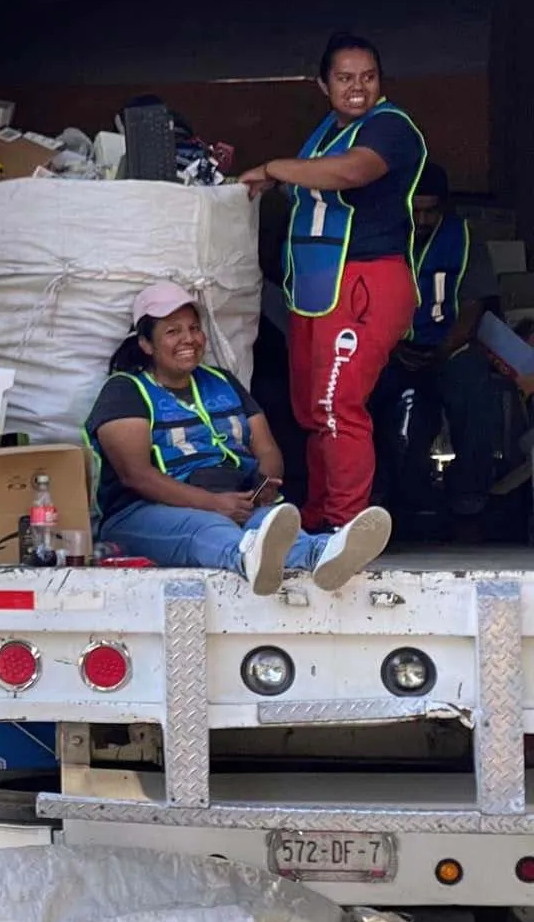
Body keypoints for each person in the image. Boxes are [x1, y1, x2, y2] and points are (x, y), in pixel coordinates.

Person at [87, 283, 392, 595]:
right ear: (146, 344)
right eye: (172, 331)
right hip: (140, 514)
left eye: (194, 328)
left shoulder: (221, 381)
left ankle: (323, 553)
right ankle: (247, 556)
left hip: (229, 503)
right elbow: (136, 476)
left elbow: (267, 448)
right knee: (209, 528)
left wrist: (263, 485)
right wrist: (214, 504)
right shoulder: (125, 391)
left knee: (271, 520)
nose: (188, 339)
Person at [240, 32, 427, 533]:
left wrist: (274, 168)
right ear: (323, 84)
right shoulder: (326, 131)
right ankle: (320, 519)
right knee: (312, 410)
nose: (358, 88)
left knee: (337, 406)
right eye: (345, 78)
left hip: (367, 281)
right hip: (317, 291)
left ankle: (345, 528)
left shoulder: (391, 128)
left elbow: (352, 173)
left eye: (368, 77)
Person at [370, 162, 507, 534]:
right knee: (363, 396)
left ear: (445, 206)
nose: (424, 218)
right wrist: (394, 346)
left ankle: (468, 495)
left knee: (476, 394)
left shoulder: (464, 237)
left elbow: (474, 305)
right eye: (417, 210)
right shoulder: (383, 236)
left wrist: (442, 351)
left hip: (449, 347)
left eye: (432, 210)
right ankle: (377, 494)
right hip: (390, 347)